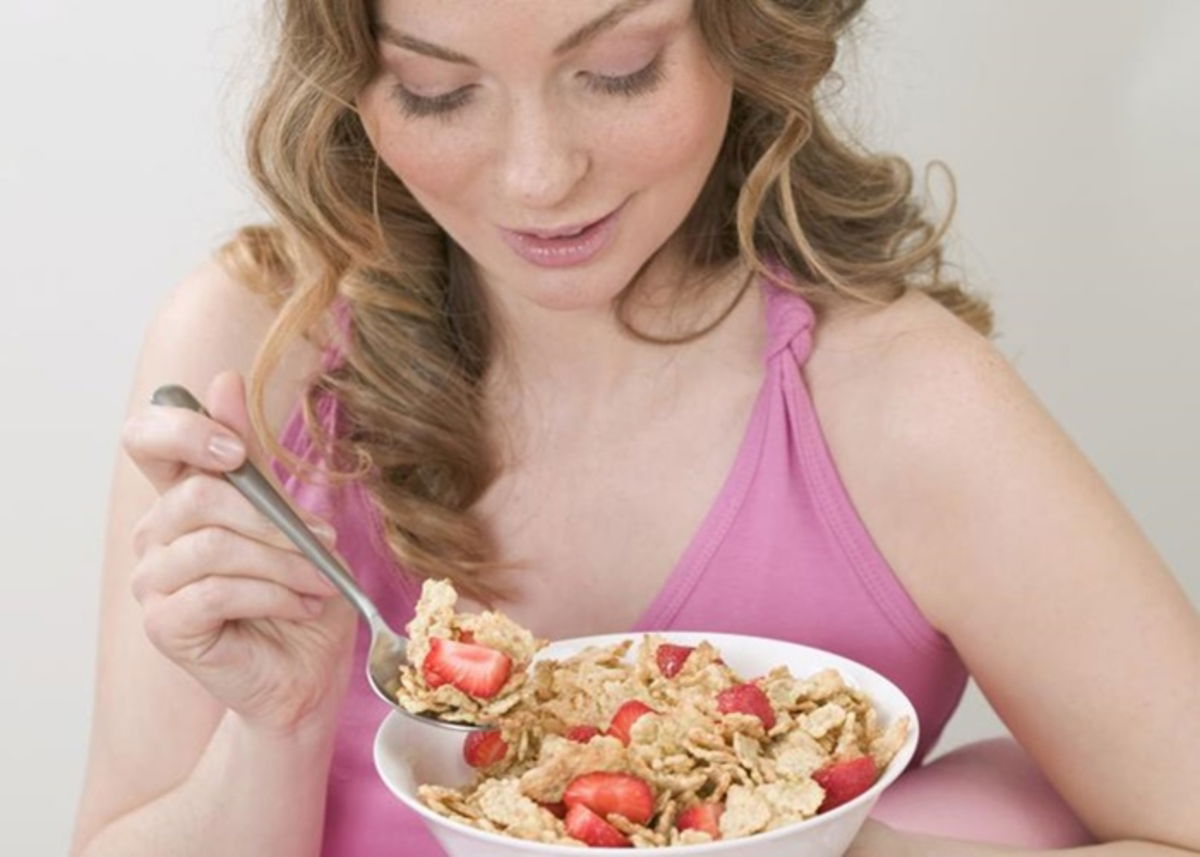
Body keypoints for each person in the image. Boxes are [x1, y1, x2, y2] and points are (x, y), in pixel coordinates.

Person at [70, 1, 1199, 855]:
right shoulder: (258, 351)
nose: (539, 176)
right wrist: (273, 730)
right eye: (434, 90)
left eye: (618, 70)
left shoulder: (901, 404)